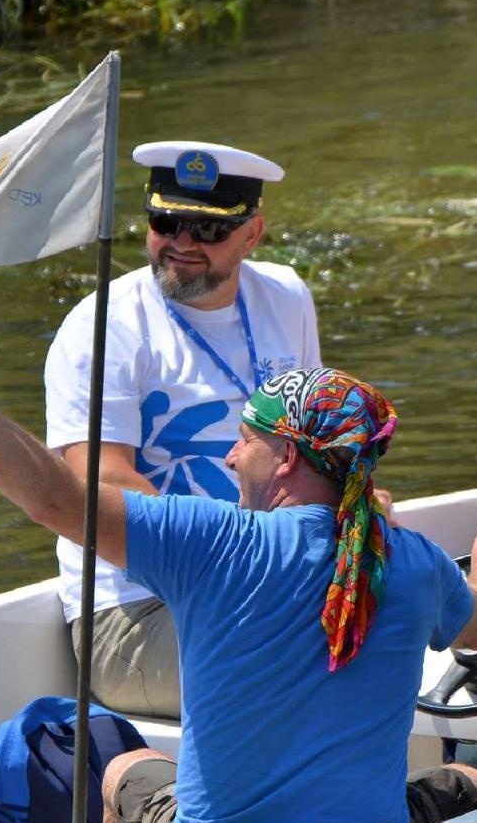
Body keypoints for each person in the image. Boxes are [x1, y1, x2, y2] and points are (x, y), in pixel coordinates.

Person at [0, 274, 477, 823]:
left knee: (123, 775)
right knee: (473, 777)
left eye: (246, 439)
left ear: (287, 459)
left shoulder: (208, 542)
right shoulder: (413, 562)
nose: (229, 457)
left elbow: (52, 494)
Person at [43, 140, 322, 719]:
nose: (182, 244)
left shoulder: (287, 298)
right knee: (311, 649)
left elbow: (316, 445)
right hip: (133, 613)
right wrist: (236, 562)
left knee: (396, 601)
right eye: (166, 221)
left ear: (252, 234)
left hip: (269, 579)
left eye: (208, 230)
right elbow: (100, 480)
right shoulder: (104, 326)